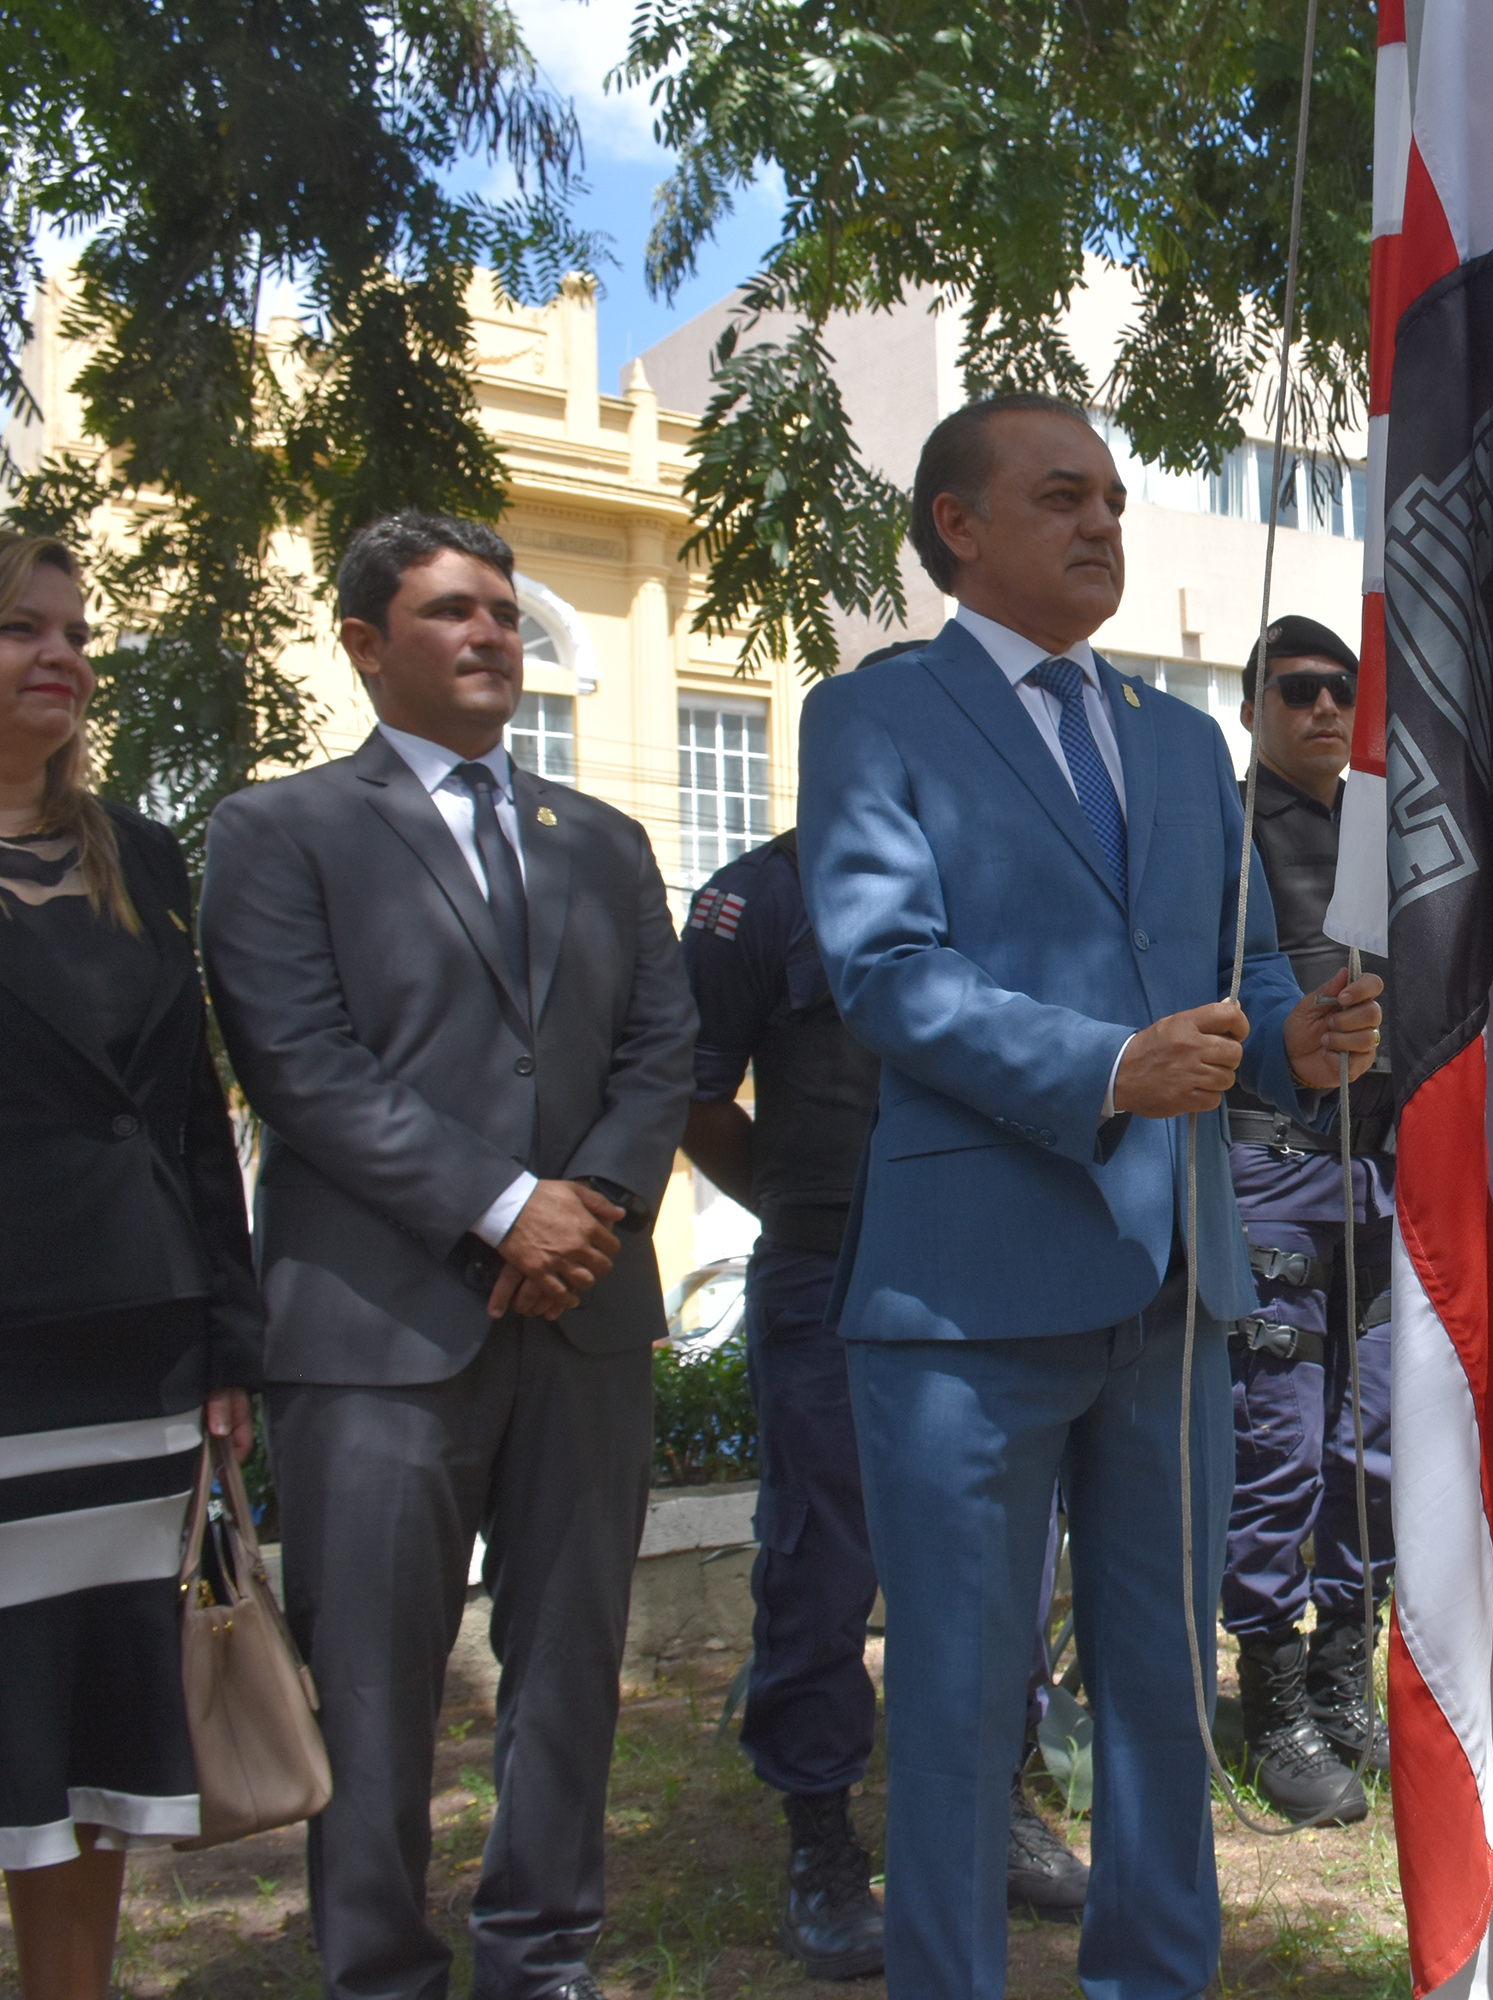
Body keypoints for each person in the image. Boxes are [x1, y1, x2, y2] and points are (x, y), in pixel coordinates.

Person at [798, 393, 1382, 2000]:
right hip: (967, 1300)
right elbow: (884, 971)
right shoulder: (876, 717)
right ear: (956, 526)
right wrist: (1108, 1070)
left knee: (1157, 1700)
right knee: (965, 1708)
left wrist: (1302, 1042)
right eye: (1061, 496)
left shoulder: (1190, 744)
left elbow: (1245, 980)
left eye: (1116, 498)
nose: (1103, 524)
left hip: (1178, 1293)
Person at [201, 513, 696, 2000]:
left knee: (567, 1662)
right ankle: (379, 1967)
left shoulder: (599, 840)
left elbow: (663, 1047)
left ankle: (542, 1955)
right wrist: (500, 1206)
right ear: (365, 644)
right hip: (374, 1330)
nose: (493, 634)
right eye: (451, 613)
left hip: (585, 1314)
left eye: (502, 611)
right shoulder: (279, 832)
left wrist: (586, 1207)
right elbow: (301, 1065)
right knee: (371, 1680)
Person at [680, 791, 1098, 1976]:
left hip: (991, 1262)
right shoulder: (760, 894)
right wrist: (814, 1208)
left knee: (1008, 1551)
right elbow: (697, 1094)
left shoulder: (1004, 876)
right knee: (822, 1555)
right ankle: (821, 1838)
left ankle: (998, 1805)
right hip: (831, 1273)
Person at [0, 537, 263, 2000]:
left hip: (138, 1358)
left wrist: (229, 1342)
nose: (59, 653)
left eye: (74, 631)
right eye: (19, 628)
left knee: (88, 1732)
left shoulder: (144, 857)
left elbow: (188, 1118)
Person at [1216, 614, 1397, 1826]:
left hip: (1383, 1175)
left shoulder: (1386, 832)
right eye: (1298, 689)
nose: (1327, 708)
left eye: (1344, 688)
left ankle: (1346, 1670)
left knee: (1372, 1443)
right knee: (1277, 1444)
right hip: (1271, 1170)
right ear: (1254, 705)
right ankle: (1271, 1690)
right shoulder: (1220, 835)